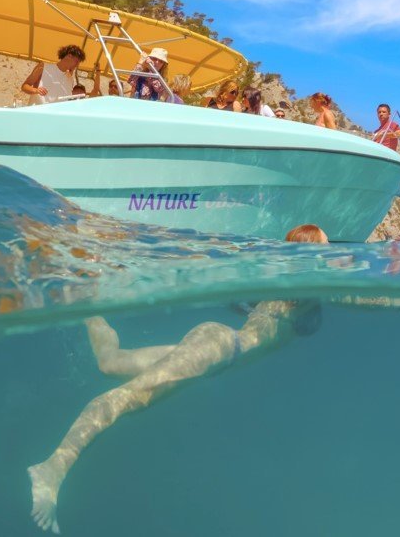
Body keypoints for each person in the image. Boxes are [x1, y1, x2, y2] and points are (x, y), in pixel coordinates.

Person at [27, 223, 329, 533]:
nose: (329, 255)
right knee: (131, 397)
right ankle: (52, 468)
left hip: (216, 349)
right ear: (308, 254)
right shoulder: (304, 285)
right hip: (218, 348)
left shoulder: (294, 290)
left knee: (111, 362)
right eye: (324, 248)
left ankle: (82, 296)